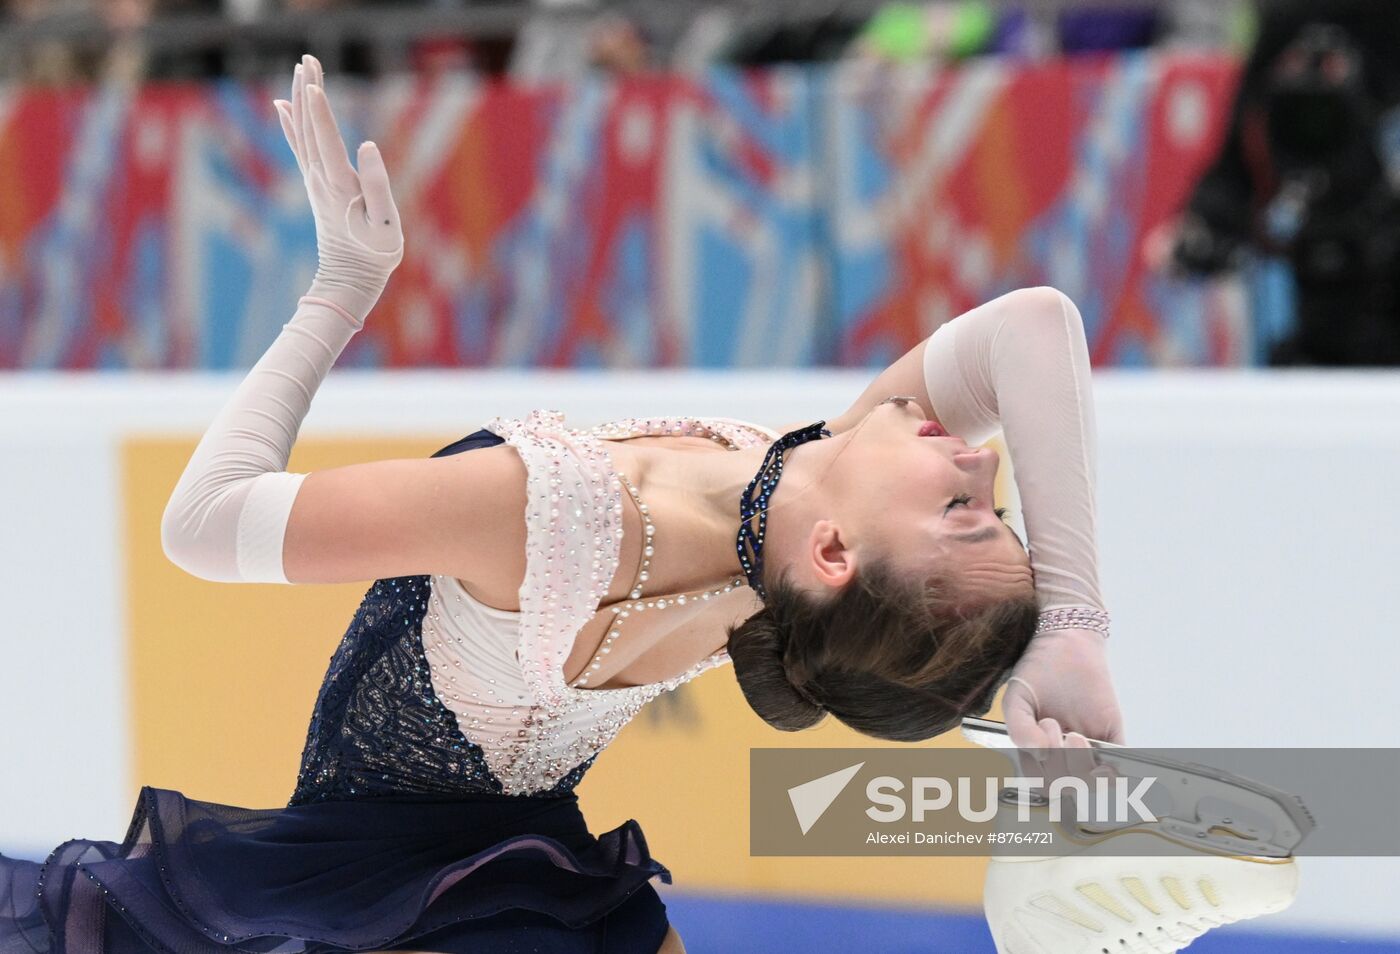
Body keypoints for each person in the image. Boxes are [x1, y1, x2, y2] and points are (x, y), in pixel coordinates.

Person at [0, 54, 1122, 954]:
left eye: (965, 515)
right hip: (514, 860)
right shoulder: (795, 511)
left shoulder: (555, 520)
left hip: (416, 888)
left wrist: (338, 291)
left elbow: (201, 524)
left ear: (834, 555)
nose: (985, 466)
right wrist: (1070, 628)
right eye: (997, 509)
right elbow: (1032, 329)